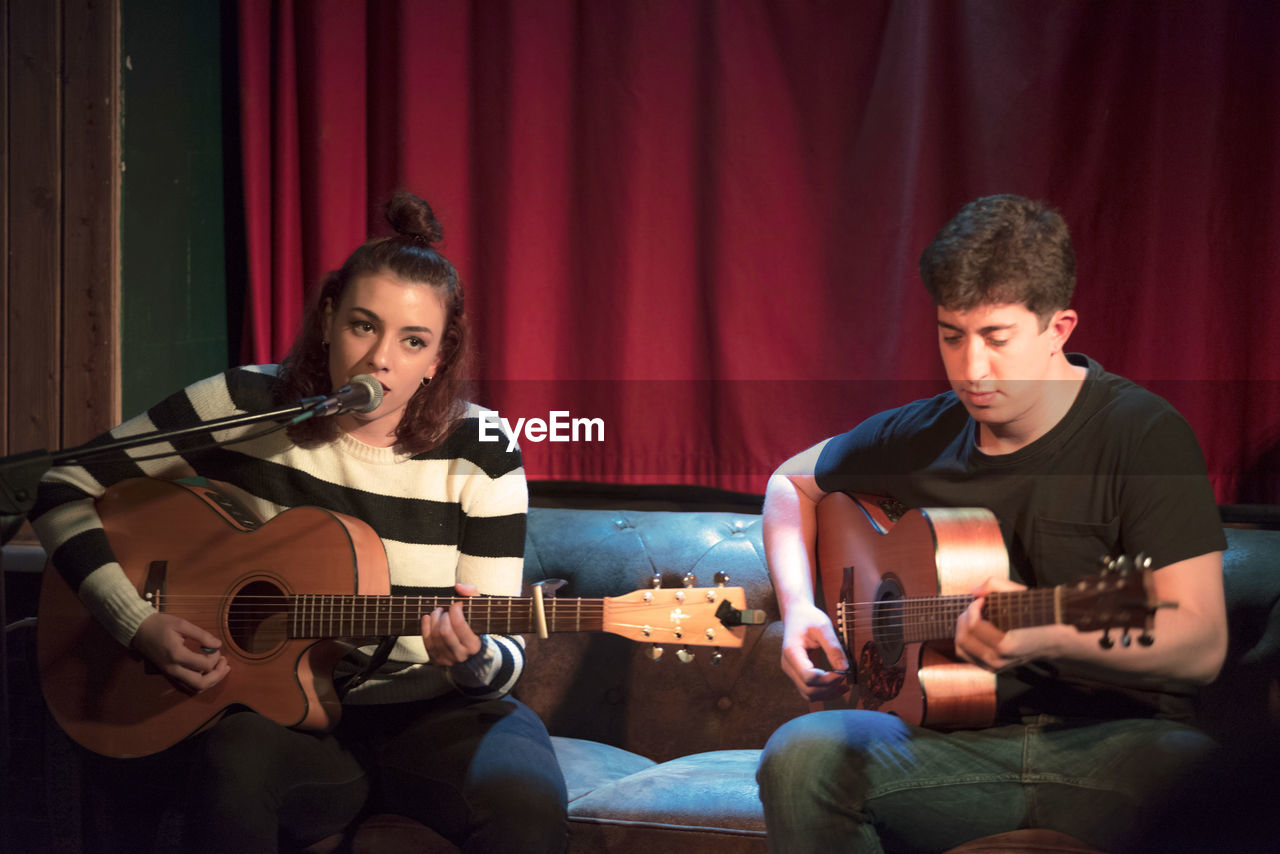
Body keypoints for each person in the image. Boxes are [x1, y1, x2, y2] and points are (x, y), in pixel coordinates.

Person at [29, 191, 568, 853]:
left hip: (438, 713)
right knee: (234, 763)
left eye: (414, 341)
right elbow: (63, 485)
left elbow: (504, 653)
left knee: (526, 807)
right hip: (283, 719)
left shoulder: (481, 448)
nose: (381, 360)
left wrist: (474, 655)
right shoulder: (247, 405)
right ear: (329, 319)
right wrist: (135, 622)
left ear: (437, 359)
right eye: (363, 326)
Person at [755, 194, 1228, 852]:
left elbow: (1202, 643)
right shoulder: (922, 433)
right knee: (801, 758)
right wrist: (801, 607)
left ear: (1059, 328)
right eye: (953, 336)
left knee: (1205, 778)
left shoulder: (1144, 435)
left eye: (996, 339)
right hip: (949, 748)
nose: (971, 370)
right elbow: (788, 484)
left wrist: (1048, 634)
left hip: (1116, 742)